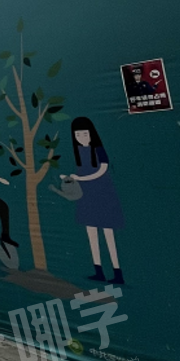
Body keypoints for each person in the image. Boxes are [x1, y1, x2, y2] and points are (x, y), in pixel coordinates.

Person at [61, 117, 125, 284]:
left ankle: (117, 272)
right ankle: (99, 271)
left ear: (91, 133)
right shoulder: (78, 152)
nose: (81, 137)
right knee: (91, 233)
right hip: (86, 196)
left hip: (103, 194)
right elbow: (80, 174)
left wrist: (81, 179)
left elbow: (101, 171)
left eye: (85, 133)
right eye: (78, 135)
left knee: (108, 233)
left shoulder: (99, 150)